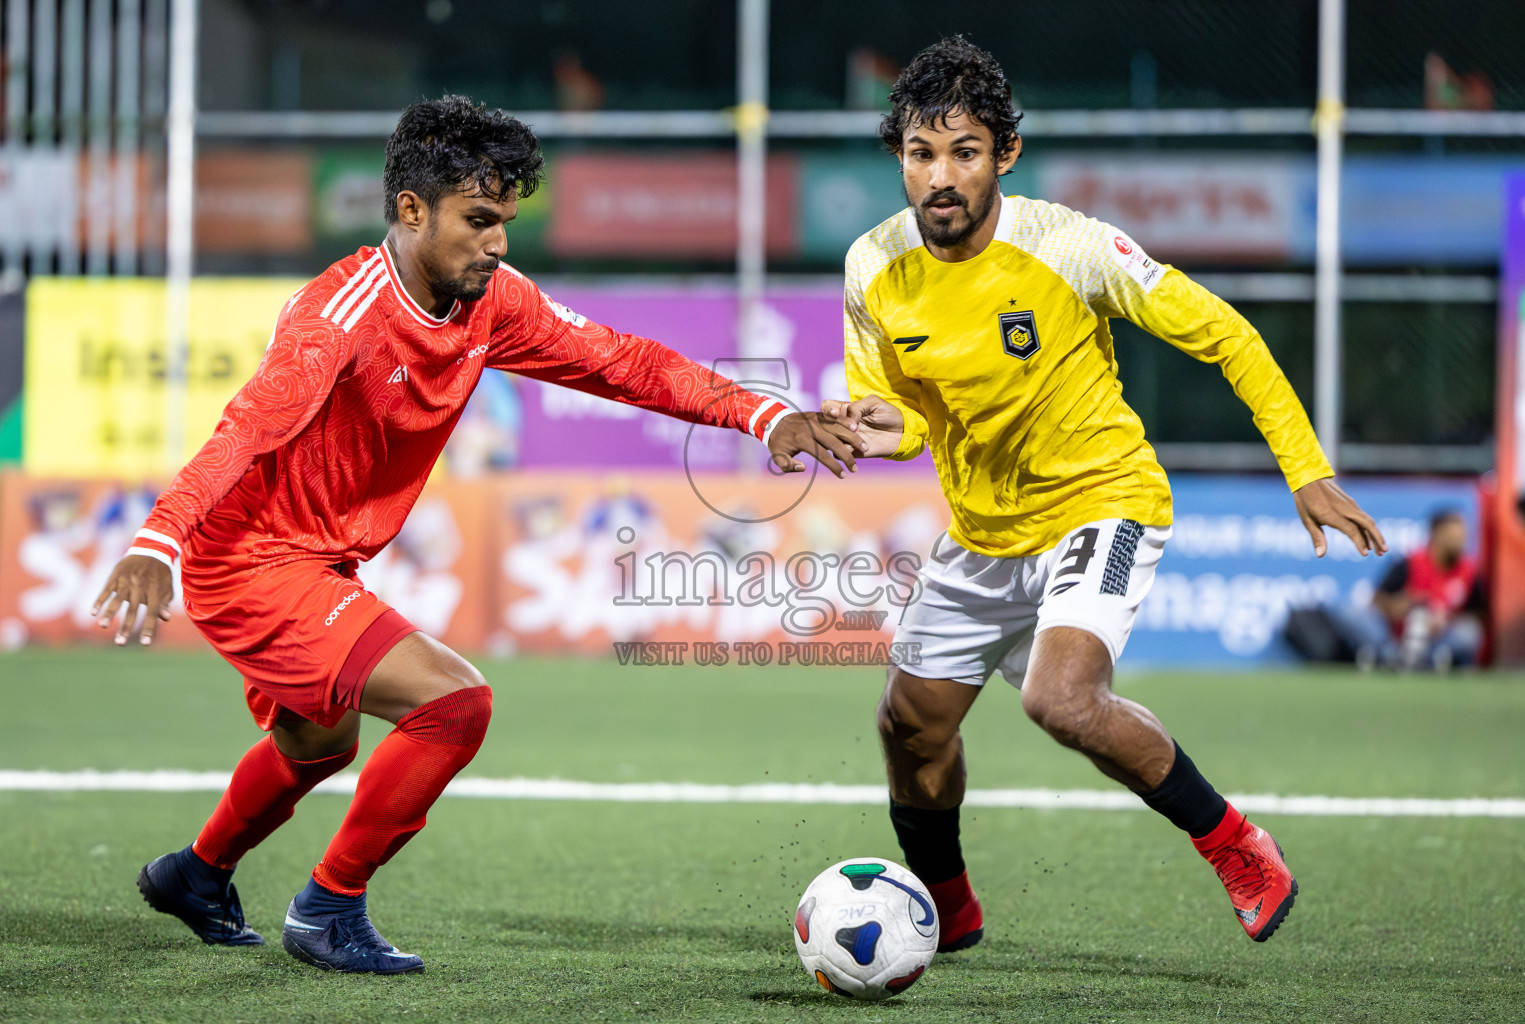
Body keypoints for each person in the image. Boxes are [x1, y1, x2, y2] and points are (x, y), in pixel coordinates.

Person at [91, 95, 863, 975]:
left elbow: (625, 362)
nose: (497, 243)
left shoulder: (494, 301)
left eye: (505, 221)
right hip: (252, 559)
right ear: (412, 211)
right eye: (479, 220)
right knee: (452, 704)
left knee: (319, 742)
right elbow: (249, 425)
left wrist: (764, 415)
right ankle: (329, 906)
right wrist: (160, 538)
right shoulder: (338, 314)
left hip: (321, 556)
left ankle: (195, 875)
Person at [822, 37, 1387, 950]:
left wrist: (1305, 467)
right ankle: (946, 914)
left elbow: (1225, 334)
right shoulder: (871, 269)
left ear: (1004, 153)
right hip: (984, 531)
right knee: (909, 729)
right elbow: (906, 417)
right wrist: (882, 432)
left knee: (1062, 700)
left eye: (963, 152)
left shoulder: (1069, 246)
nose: (939, 177)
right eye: (920, 154)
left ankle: (1236, 843)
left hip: (1102, 498)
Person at [1341, 508, 1484, 670]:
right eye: (1455, 535)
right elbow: (1378, 598)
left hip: (1437, 638)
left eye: (1463, 535)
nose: (1461, 540)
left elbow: (1478, 614)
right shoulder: (1410, 562)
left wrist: (1446, 618)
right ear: (1437, 534)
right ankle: (1391, 655)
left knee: (1469, 632)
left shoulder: (1468, 571)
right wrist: (1401, 605)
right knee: (1353, 613)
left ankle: (1433, 660)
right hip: (1397, 633)